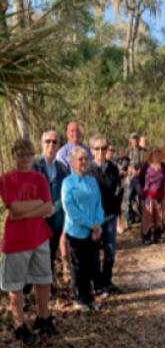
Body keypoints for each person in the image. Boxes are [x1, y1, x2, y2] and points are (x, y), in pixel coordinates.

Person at [0, 139, 59, 345]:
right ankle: (19, 325)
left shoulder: (39, 178)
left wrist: (26, 211)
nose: (24, 159)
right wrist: (36, 207)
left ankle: (43, 318)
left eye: (28, 155)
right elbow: (14, 209)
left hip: (39, 236)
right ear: (13, 154)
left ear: (33, 156)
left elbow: (49, 207)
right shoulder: (7, 179)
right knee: (15, 285)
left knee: (43, 279)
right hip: (16, 240)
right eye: (20, 154)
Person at [62, 147, 104, 312]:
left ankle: (90, 298)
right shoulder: (68, 183)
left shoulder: (92, 181)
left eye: (85, 159)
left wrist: (97, 225)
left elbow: (98, 205)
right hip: (75, 232)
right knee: (78, 267)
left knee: (92, 265)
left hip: (93, 233)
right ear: (72, 162)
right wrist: (90, 224)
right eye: (80, 159)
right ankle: (80, 299)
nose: (84, 162)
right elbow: (71, 210)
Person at [31, 131, 69, 287]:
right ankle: (31, 290)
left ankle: (47, 285)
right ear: (41, 144)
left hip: (56, 218)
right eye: (48, 141)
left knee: (51, 252)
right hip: (38, 218)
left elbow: (65, 192)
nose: (51, 145)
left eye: (55, 142)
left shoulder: (62, 168)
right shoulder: (34, 165)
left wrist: (55, 207)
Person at [87, 135, 123, 297]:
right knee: (94, 252)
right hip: (94, 218)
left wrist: (117, 213)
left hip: (110, 216)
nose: (100, 152)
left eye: (103, 148)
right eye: (97, 148)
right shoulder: (88, 171)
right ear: (92, 151)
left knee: (110, 251)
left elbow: (118, 190)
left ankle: (107, 281)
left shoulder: (113, 169)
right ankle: (97, 284)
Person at [137, 147, 165, 245]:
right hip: (148, 195)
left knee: (159, 216)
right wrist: (142, 192)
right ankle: (146, 236)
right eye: (154, 154)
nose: (157, 156)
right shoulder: (146, 166)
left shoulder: (163, 166)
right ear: (151, 155)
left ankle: (158, 236)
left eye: (158, 154)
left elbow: (164, 179)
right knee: (148, 216)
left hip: (160, 195)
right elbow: (139, 179)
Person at [121, 133, 145, 229]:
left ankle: (142, 219)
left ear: (139, 140)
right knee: (127, 200)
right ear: (130, 140)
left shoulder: (144, 151)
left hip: (140, 179)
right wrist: (130, 169)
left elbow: (146, 163)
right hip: (129, 179)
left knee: (141, 200)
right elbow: (124, 164)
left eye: (136, 138)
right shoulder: (127, 151)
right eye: (133, 139)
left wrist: (140, 170)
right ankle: (128, 221)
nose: (135, 141)